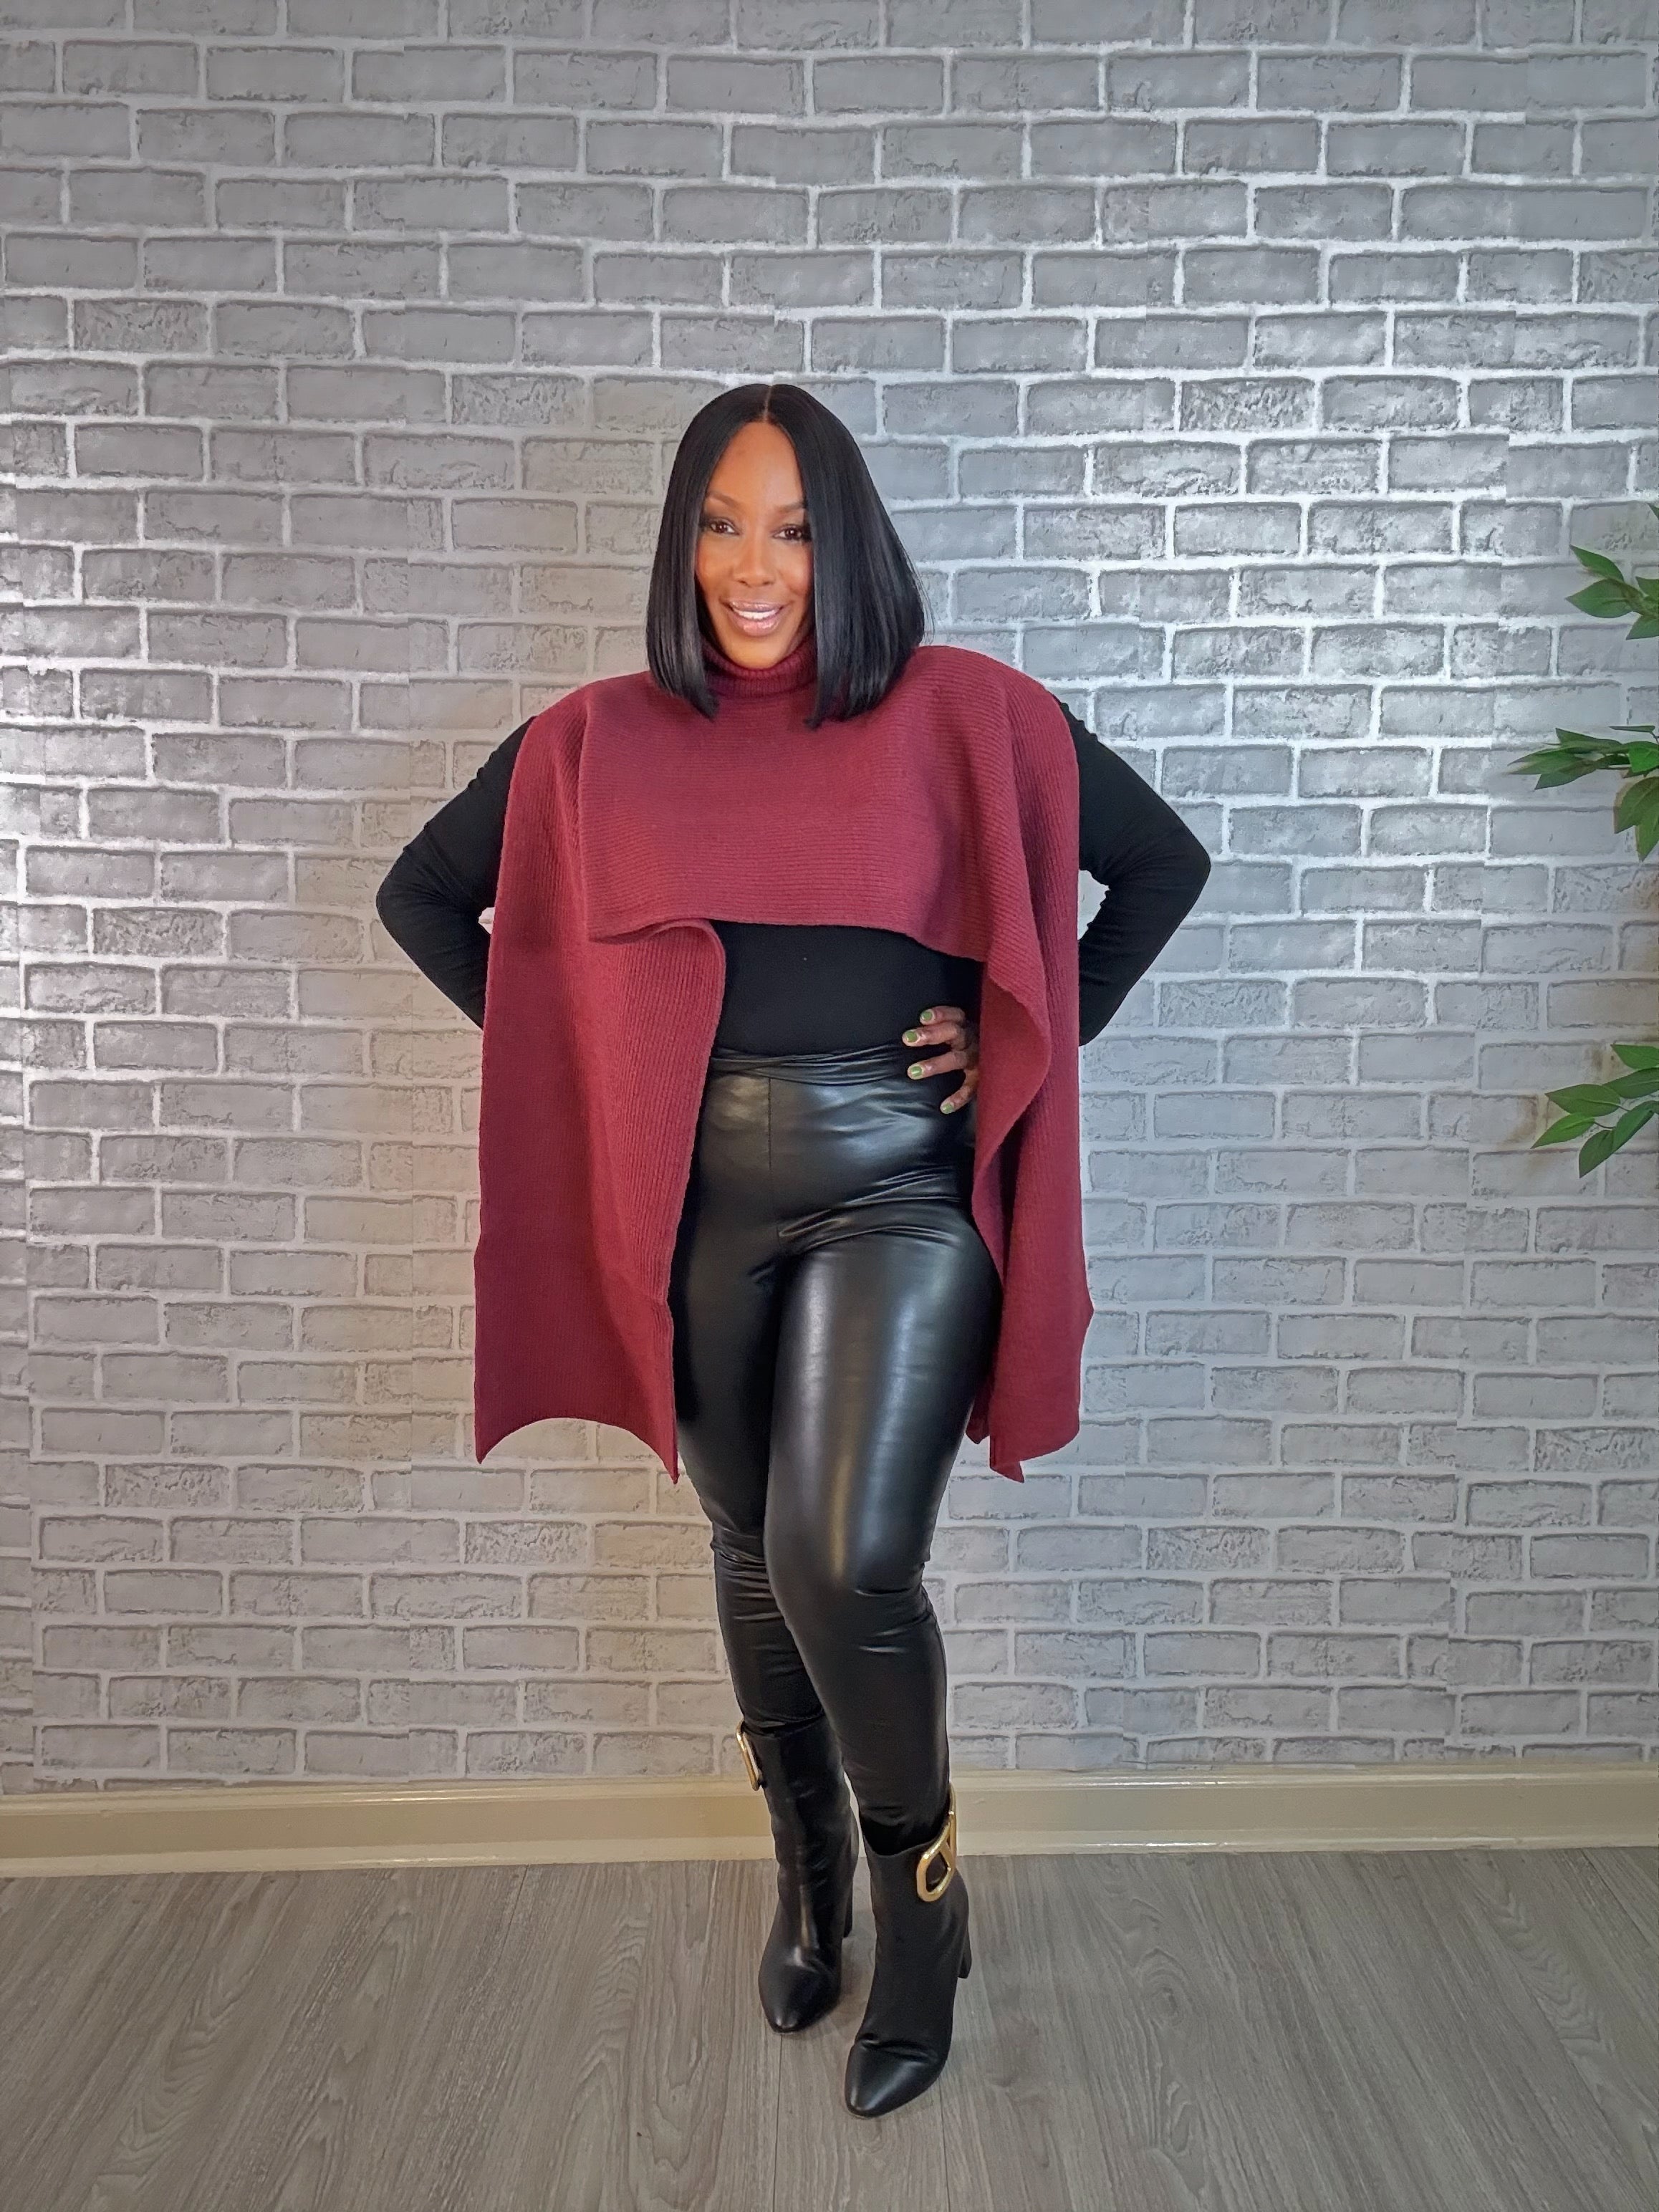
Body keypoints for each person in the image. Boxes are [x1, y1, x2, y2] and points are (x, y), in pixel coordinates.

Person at [378, 383, 1211, 2118]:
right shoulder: (593, 741)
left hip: (899, 1189)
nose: (755, 566)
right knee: (754, 1546)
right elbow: (423, 897)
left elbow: (1160, 865)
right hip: (693, 1207)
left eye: (795, 527)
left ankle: (924, 1910)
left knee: (844, 1557)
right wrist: (589, 1064)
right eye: (721, 524)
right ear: (681, 543)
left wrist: (1033, 1026)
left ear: (851, 543)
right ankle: (808, 1878)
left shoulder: (968, 711)